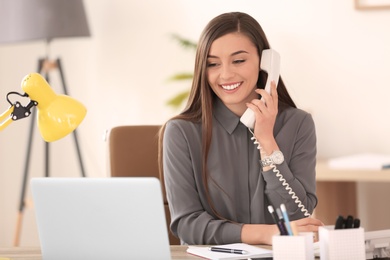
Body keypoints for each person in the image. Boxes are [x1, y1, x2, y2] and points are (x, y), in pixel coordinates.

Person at [158, 11, 323, 245]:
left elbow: (298, 217)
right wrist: (267, 233)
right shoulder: (181, 132)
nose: (225, 74)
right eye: (213, 64)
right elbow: (187, 225)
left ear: (265, 62)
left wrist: (267, 142)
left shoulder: (298, 124)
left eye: (238, 60)